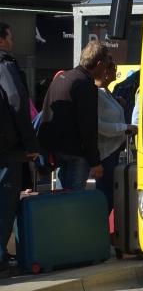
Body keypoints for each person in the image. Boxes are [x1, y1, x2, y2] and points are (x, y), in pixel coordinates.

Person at [38, 41, 108, 191]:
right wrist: (95, 161)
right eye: (106, 65)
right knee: (74, 199)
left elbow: (46, 110)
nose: (106, 70)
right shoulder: (85, 85)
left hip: (57, 150)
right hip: (76, 152)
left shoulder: (61, 78)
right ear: (99, 63)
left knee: (61, 196)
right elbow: (88, 126)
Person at [0, 23, 41, 277]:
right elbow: (16, 101)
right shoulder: (5, 65)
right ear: (2, 39)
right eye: (10, 36)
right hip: (7, 150)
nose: (12, 42)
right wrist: (30, 144)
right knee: (5, 204)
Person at [95, 56, 137, 213]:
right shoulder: (97, 94)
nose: (117, 70)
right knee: (106, 195)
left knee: (111, 194)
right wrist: (124, 128)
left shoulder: (108, 93)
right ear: (106, 71)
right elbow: (98, 125)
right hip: (105, 153)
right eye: (114, 68)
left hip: (114, 152)